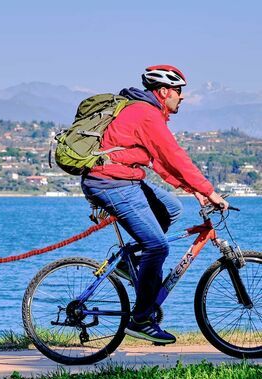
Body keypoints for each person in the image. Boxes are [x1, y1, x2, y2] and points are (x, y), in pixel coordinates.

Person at [81, 64, 229, 344]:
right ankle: (141, 319)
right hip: (111, 182)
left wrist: (193, 190)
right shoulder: (146, 114)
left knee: (171, 208)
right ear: (163, 91)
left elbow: (160, 162)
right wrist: (209, 191)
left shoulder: (145, 112)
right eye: (178, 91)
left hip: (124, 179)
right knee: (158, 246)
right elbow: (175, 156)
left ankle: (133, 263)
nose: (182, 97)